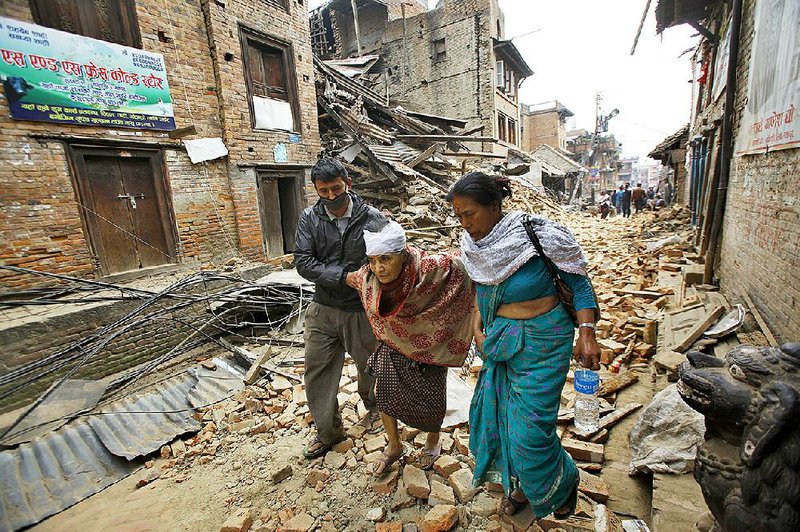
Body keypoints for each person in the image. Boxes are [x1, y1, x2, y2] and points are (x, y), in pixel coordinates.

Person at [447, 172, 601, 520]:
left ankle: (563, 482)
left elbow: (580, 285)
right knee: (499, 419)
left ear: (495, 206)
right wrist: (476, 326)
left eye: (469, 213)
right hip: (499, 343)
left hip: (544, 344)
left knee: (530, 431)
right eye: (458, 215)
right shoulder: (472, 246)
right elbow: (479, 290)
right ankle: (520, 486)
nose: (464, 223)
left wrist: (587, 333)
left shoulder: (537, 234)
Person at [352, 221, 476, 476]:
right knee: (383, 391)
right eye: (373, 261)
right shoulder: (369, 275)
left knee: (431, 400)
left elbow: (461, 266)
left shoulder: (429, 268)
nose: (379, 267)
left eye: (385, 259)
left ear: (403, 253)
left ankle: (432, 439)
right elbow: (359, 282)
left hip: (431, 344)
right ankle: (394, 445)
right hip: (393, 342)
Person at [295, 158, 387, 459]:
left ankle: (374, 409)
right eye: (324, 191)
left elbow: (391, 255)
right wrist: (344, 276)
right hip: (322, 308)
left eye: (336, 189)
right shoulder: (309, 219)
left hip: (361, 310)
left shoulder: (372, 217)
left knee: (370, 365)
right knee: (317, 370)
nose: (332, 197)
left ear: (348, 184)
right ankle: (328, 433)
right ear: (316, 190)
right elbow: (303, 263)